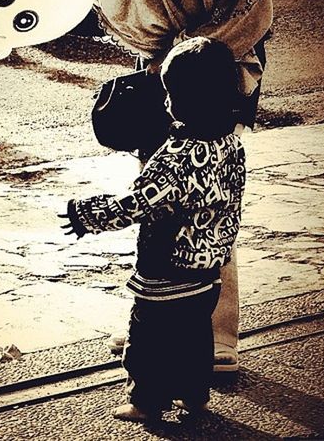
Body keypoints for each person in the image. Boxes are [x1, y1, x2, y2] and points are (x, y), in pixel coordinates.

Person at [93, 0, 273, 371]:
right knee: (159, 205)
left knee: (208, 207)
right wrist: (160, 64)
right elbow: (124, 5)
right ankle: (156, 325)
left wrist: (186, 62)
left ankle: (217, 341)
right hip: (161, 77)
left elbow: (248, 17)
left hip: (218, 80)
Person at [61, 37, 246, 421]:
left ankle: (145, 402)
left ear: (181, 102)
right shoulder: (231, 144)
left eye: (170, 94)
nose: (165, 102)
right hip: (209, 266)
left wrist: (87, 215)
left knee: (147, 338)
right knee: (195, 336)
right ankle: (195, 397)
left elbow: (138, 204)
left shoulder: (175, 155)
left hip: (166, 268)